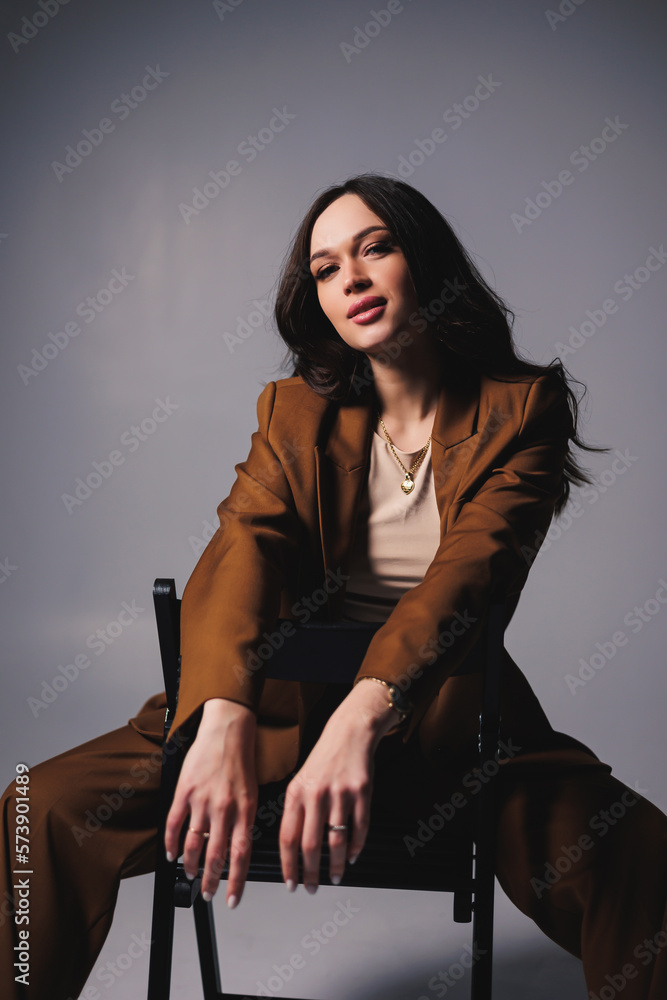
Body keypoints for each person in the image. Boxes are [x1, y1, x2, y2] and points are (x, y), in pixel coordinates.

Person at [1, 174, 666, 1000]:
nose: (349, 278)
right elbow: (244, 547)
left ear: (424, 261)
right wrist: (221, 712)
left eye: (373, 248)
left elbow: (470, 575)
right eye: (324, 268)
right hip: (276, 711)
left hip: (452, 728)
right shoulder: (293, 412)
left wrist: (363, 712)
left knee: (638, 858)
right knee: (35, 811)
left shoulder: (520, 409)